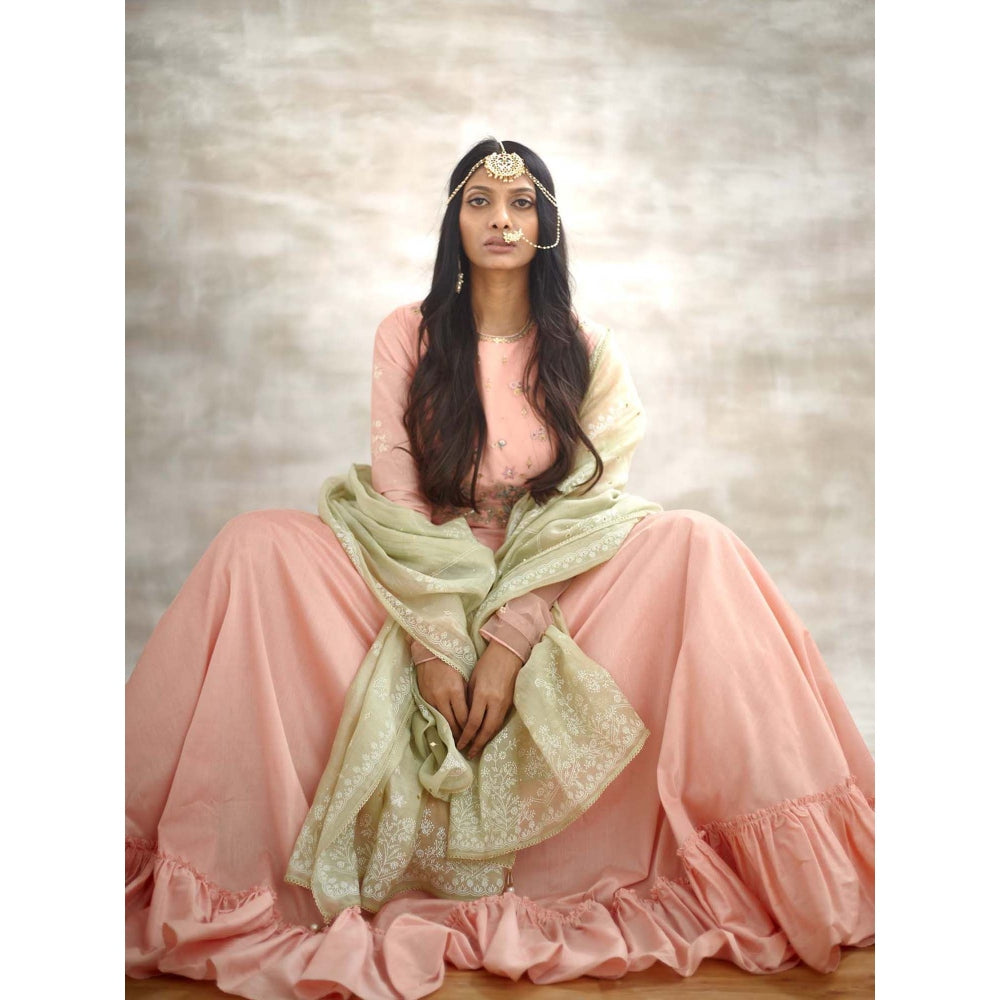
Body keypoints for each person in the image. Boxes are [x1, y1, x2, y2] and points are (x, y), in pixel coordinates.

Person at [126, 139, 875, 1000]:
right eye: (479, 201)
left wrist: (513, 636)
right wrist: (434, 640)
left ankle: (781, 862)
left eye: (521, 204)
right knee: (253, 543)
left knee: (699, 544)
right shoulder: (407, 334)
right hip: (417, 563)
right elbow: (401, 499)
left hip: (546, 568)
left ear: (546, 226)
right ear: (455, 219)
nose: (501, 220)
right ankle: (201, 856)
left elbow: (585, 505)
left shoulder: (586, 349)